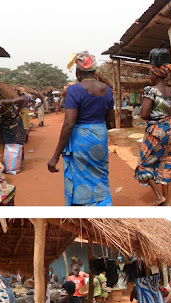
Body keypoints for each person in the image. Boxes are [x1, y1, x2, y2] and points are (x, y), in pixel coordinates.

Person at [48, 51, 115, 206]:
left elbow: (69, 123)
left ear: (78, 72)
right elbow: (110, 118)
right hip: (100, 135)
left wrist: (55, 156)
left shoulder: (74, 90)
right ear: (94, 71)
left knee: (80, 177)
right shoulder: (107, 89)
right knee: (101, 175)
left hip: (81, 140)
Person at [135, 57, 171, 206]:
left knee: (143, 165)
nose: (150, 77)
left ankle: (159, 196)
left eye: (151, 74)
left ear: (156, 75)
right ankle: (166, 198)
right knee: (166, 162)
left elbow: (144, 114)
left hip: (156, 131)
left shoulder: (151, 91)